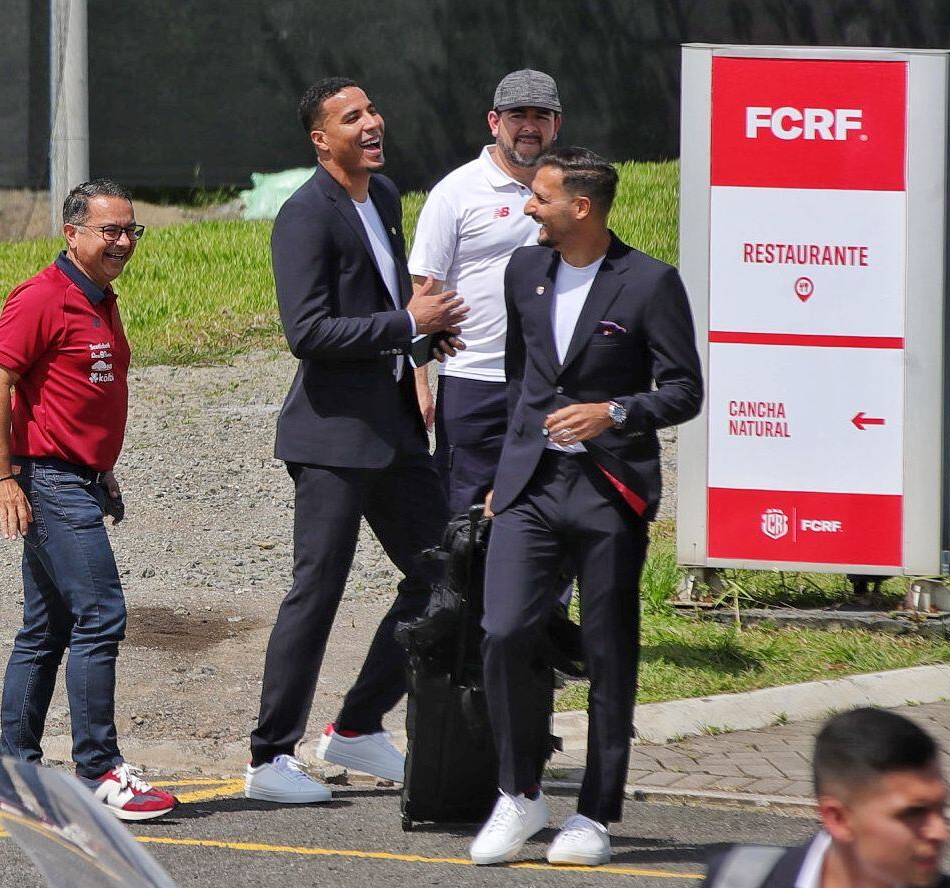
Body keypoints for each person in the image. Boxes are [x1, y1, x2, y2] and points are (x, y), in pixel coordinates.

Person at [468, 147, 703, 865]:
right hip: (530, 488)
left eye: (539, 198)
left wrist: (615, 411)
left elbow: (685, 390)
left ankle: (596, 813)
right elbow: (523, 379)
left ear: (580, 208)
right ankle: (519, 792)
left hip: (609, 490)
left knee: (606, 650)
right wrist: (501, 476)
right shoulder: (523, 271)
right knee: (504, 630)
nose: (526, 208)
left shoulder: (652, 282)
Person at [244, 77, 468, 804]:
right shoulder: (305, 216)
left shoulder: (387, 196)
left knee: (445, 574)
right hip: (332, 439)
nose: (373, 122)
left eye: (372, 109)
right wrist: (407, 323)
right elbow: (306, 332)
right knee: (318, 590)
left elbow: (390, 306)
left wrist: (422, 342)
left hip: (397, 428)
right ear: (321, 138)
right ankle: (269, 757)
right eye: (353, 117)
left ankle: (358, 727)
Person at [0, 178, 177, 821]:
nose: (122, 241)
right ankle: (100, 770)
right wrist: (0, 478)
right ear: (72, 233)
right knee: (100, 614)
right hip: (47, 480)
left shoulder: (100, 298)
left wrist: (104, 469)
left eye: (129, 230)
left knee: (48, 627)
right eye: (108, 230)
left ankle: (14, 773)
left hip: (79, 477)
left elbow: (78, 396)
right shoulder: (42, 297)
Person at [409, 69, 563, 515]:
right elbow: (423, 294)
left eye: (542, 115)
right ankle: (466, 590)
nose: (530, 126)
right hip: (475, 379)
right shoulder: (454, 193)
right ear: (494, 122)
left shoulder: (570, 190)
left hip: (550, 381)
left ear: (558, 124)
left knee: (546, 510)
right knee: (467, 513)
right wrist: (419, 383)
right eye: (518, 115)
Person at [702, 707, 950, 888]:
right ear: (838, 818)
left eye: (941, 808)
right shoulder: (737, 880)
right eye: (913, 814)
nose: (939, 832)